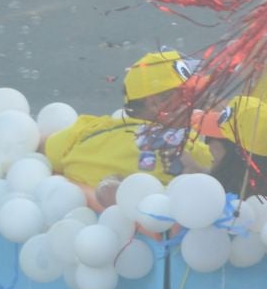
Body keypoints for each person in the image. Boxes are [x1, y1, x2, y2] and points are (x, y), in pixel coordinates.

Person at [42, 51, 212, 193]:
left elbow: (42, 148)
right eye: (189, 94)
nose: (196, 101)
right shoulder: (189, 147)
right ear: (155, 104)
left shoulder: (88, 130)